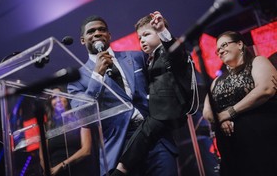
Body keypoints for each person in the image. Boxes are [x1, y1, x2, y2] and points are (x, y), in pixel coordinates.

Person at [67, 15, 180, 176]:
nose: (97, 33)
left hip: (154, 135)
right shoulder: (77, 79)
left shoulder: (135, 57)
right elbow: (82, 115)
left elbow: (165, 76)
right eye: (91, 31)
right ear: (82, 40)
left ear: (109, 35)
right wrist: (97, 75)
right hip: (120, 144)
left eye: (102, 29)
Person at [111, 11, 196, 175]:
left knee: (145, 132)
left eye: (146, 34)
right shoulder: (151, 58)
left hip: (167, 108)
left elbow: (176, 53)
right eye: (139, 37)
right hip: (159, 111)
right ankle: (121, 168)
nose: (142, 40)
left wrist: (163, 30)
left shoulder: (167, 50)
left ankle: (121, 169)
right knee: (144, 133)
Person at [202, 31, 277, 176]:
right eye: (218, 50)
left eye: (224, 45)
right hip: (232, 151)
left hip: (264, 141)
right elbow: (207, 110)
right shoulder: (217, 80)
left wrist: (228, 113)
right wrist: (220, 120)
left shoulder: (258, 62)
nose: (220, 51)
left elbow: (266, 89)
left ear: (240, 44)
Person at [39, 86, 99, 176]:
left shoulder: (79, 118)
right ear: (50, 103)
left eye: (61, 96)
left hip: (78, 170)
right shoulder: (46, 126)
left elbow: (86, 150)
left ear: (67, 97)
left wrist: (62, 165)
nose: (58, 100)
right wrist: (47, 170)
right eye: (54, 98)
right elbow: (42, 155)